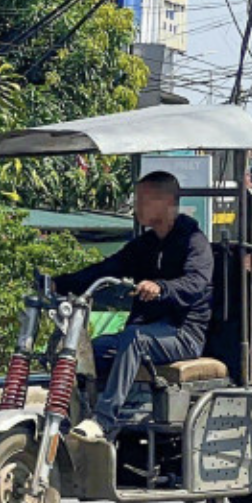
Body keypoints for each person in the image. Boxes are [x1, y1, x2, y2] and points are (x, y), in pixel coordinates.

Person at [54, 171, 214, 441]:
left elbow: (195, 283)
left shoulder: (194, 242)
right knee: (89, 352)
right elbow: (107, 268)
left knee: (134, 338)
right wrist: (60, 284)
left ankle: (103, 422)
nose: (136, 206)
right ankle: (72, 416)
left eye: (143, 199)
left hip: (183, 335)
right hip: (147, 332)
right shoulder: (145, 244)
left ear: (166, 202)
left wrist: (162, 288)